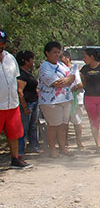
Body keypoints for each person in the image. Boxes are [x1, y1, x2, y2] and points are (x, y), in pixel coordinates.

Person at [0, 30, 32, 168]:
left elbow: (16, 78)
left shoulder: (10, 58)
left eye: (3, 43)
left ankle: (15, 158)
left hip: (12, 104)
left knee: (14, 134)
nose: (1, 46)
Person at [38, 41, 75, 157]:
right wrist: (67, 80)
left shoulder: (61, 65)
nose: (57, 55)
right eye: (54, 52)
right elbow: (56, 83)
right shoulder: (45, 67)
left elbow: (72, 76)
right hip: (51, 101)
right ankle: (53, 150)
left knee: (63, 125)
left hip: (66, 99)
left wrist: (67, 80)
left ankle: (63, 148)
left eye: (59, 52)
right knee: (53, 126)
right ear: (47, 53)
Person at [16, 50, 41, 155]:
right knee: (24, 127)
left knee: (33, 126)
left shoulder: (29, 73)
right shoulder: (21, 75)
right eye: (31, 59)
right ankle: (20, 150)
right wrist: (25, 106)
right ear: (26, 61)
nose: (33, 62)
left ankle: (34, 145)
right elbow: (20, 91)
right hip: (27, 104)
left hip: (34, 102)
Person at [60, 51, 84, 149]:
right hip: (64, 99)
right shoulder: (59, 69)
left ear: (68, 57)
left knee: (77, 121)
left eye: (62, 57)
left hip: (77, 98)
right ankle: (65, 143)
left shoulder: (76, 68)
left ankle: (79, 142)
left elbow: (82, 83)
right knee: (65, 122)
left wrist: (77, 87)